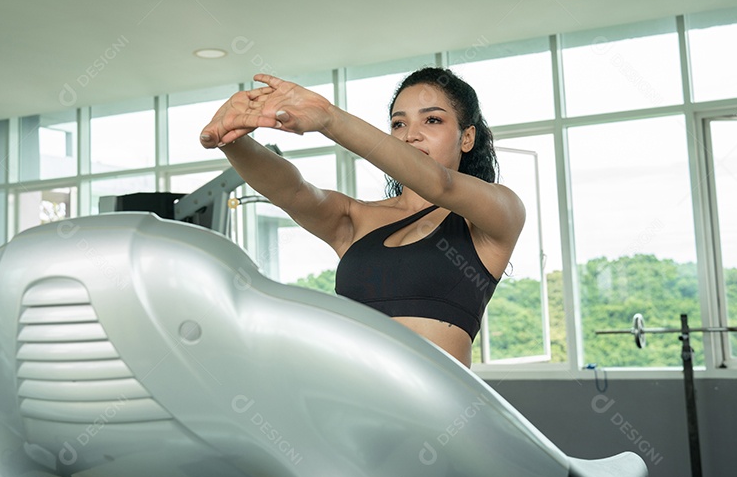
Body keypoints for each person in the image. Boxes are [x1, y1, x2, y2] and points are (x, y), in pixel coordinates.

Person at [199, 68, 525, 367]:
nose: (411, 134)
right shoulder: (357, 217)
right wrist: (233, 139)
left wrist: (328, 117)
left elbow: (442, 184)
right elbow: (293, 191)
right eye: (399, 123)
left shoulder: (497, 213)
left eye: (432, 120)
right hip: (348, 404)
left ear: (466, 137)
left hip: (433, 418)